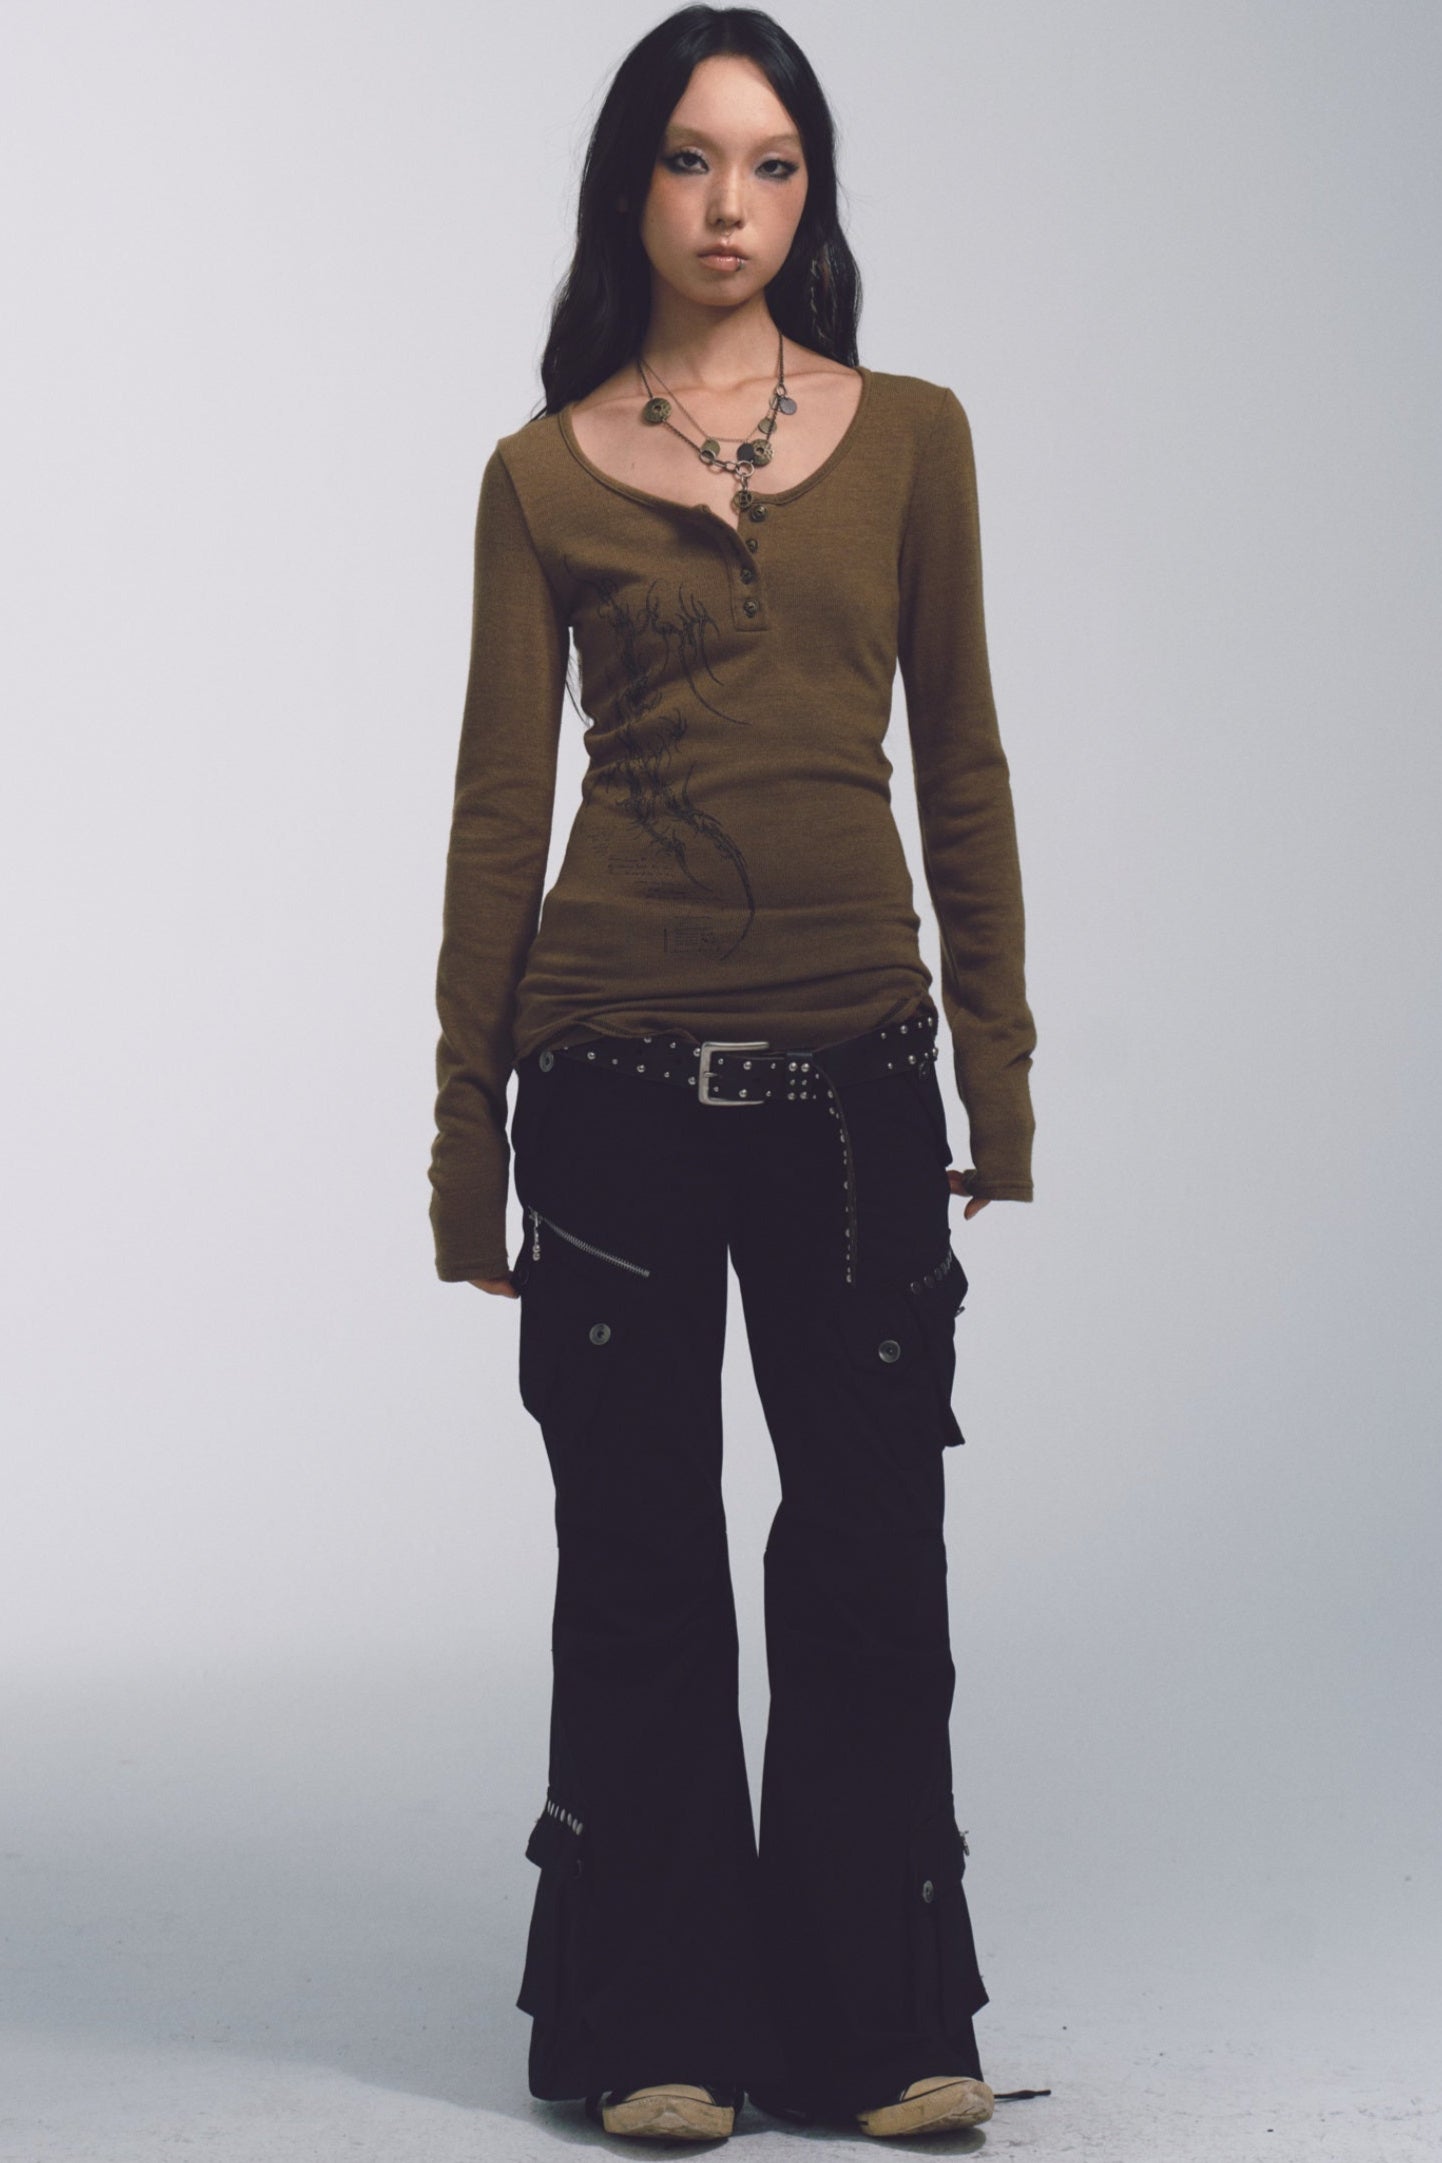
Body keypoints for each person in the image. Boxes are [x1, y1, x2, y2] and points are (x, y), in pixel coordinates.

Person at [427, 4, 1036, 2142]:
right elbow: (497, 816)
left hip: (858, 1078)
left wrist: (996, 1078)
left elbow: (961, 764)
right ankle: (656, 2021)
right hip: (606, 1076)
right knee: (640, 1553)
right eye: (690, 160)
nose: (729, 205)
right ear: (632, 187)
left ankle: (881, 2021)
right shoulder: (538, 474)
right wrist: (463, 1151)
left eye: (772, 164)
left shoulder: (915, 438)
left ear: (812, 194)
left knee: (868, 1545)